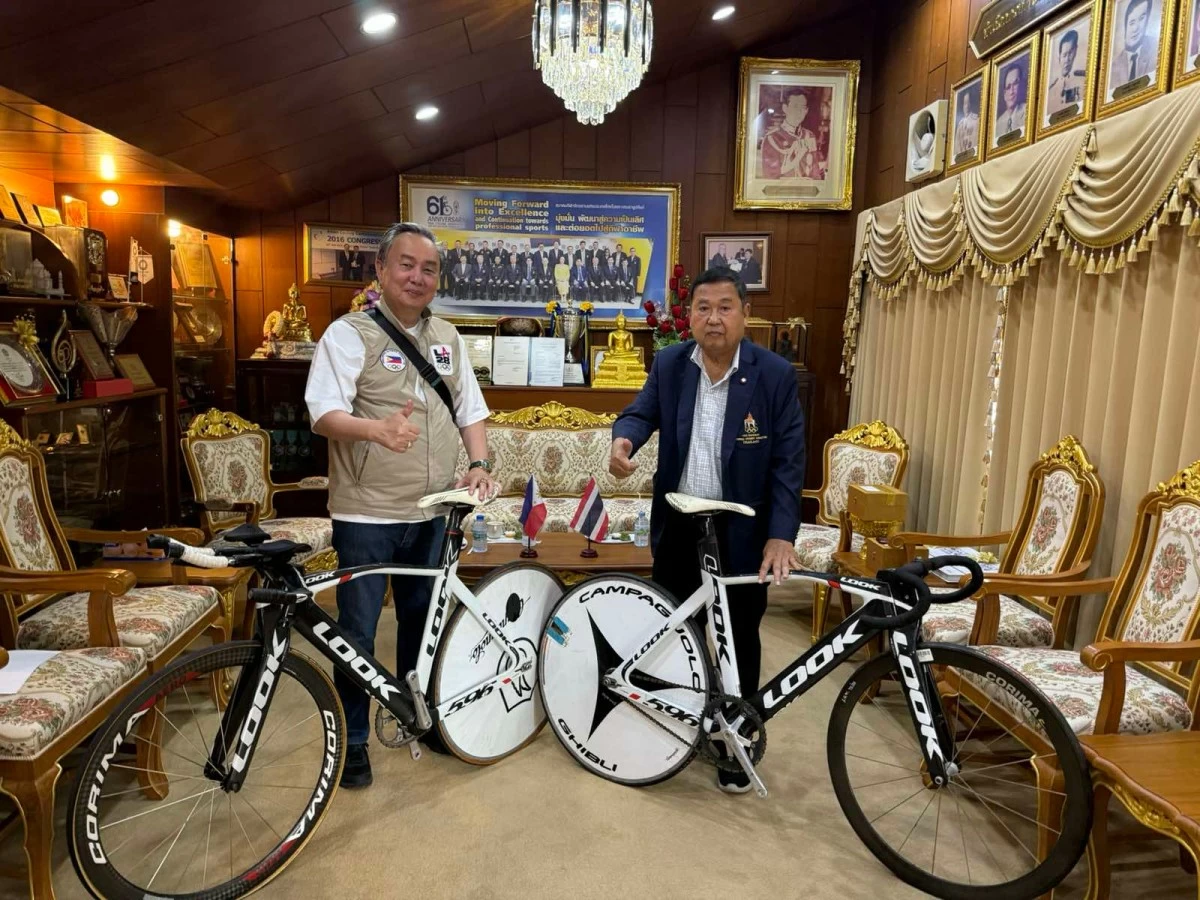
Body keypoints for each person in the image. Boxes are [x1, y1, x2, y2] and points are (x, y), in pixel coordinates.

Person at [305, 222, 495, 790]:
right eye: (406, 265)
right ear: (382, 271)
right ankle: (355, 740)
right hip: (367, 512)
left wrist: (480, 464)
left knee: (422, 621)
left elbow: (470, 409)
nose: (417, 276)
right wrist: (374, 430)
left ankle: (416, 715)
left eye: (429, 268)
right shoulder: (348, 335)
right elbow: (322, 413)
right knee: (358, 629)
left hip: (433, 511)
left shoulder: (449, 338)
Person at [608, 267, 805, 794]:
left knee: (739, 638)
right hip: (679, 522)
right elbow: (640, 413)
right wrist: (624, 440)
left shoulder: (774, 374)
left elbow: (788, 460)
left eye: (724, 307)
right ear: (689, 315)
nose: (713, 318)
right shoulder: (672, 363)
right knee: (673, 628)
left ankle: (736, 740)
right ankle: (673, 726)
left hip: (741, 529)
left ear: (744, 314)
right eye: (702, 307)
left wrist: (781, 534)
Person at [760, 89, 820, 179]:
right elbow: (770, 177)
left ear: (806, 111)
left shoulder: (809, 136)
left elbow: (815, 173)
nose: (799, 112)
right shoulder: (772, 138)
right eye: (795, 107)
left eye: (802, 107)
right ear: (785, 108)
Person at [1110, 0, 1156, 88]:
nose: (1135, 28)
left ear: (1147, 19)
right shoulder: (1113, 68)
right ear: (1125, 26)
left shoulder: (1157, 49)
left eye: (1141, 19)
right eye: (1132, 23)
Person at [1047, 29, 1085, 116]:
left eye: (1070, 53)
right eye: (1064, 55)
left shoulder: (1082, 79)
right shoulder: (1051, 89)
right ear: (1059, 57)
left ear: (1075, 51)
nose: (1067, 60)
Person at [994, 62, 1027, 137]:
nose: (1011, 91)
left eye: (1015, 84)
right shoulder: (998, 123)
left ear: (1021, 85)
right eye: (1008, 87)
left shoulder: (1027, 111)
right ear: (1004, 94)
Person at [954, 87, 980, 157]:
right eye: (965, 103)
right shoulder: (960, 125)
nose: (967, 106)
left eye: (968, 103)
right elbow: (957, 147)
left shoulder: (977, 121)